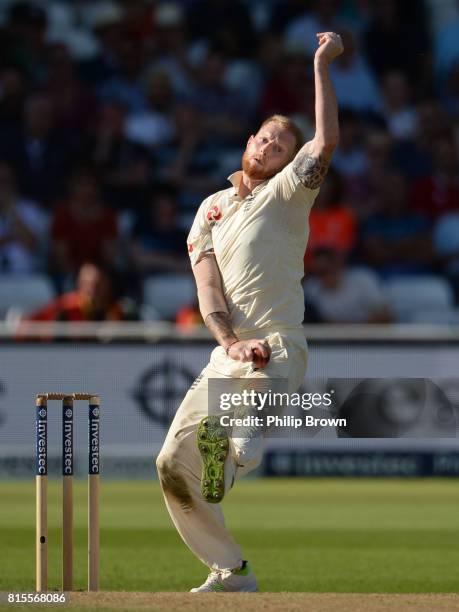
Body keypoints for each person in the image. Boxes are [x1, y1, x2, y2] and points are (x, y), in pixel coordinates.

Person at [156, 32, 343, 592]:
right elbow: (208, 291)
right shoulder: (210, 208)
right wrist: (228, 339)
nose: (269, 149)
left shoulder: (287, 193)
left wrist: (320, 66)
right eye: (265, 139)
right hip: (229, 354)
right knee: (170, 467)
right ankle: (231, 570)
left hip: (278, 347)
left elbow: (326, 142)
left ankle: (243, 437)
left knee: (241, 432)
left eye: (281, 146)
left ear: (289, 161)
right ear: (248, 141)